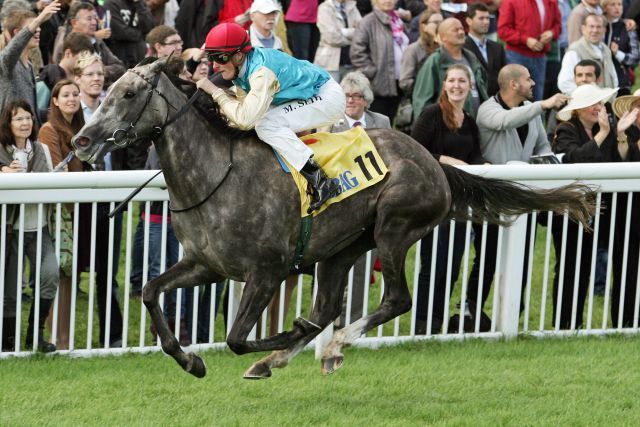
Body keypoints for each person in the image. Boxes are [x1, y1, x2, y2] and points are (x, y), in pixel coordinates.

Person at [195, 22, 344, 212]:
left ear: (239, 55)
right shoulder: (243, 64)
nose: (214, 66)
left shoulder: (261, 73)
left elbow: (245, 120)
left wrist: (216, 92)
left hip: (327, 97)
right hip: (309, 93)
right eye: (210, 58)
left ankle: (322, 182)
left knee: (266, 125)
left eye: (219, 58)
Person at [465, 64, 568, 328]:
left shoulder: (531, 112)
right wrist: (544, 105)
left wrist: (548, 164)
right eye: (528, 79)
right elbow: (505, 121)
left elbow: (541, 144)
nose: (533, 82)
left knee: (523, 258)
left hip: (524, 199)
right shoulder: (488, 109)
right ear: (513, 84)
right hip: (491, 199)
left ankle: (513, 313)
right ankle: (470, 310)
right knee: (487, 258)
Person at [411, 65, 485, 334]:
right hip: (435, 197)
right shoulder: (432, 114)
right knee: (433, 263)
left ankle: (438, 321)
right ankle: (422, 324)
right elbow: (414, 149)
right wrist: (446, 160)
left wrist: (486, 165)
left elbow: (475, 155)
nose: (457, 85)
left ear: (469, 86)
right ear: (444, 85)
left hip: (461, 200)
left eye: (462, 81)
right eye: (452, 81)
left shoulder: (469, 119)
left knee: (453, 264)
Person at [551, 84, 627, 329]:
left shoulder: (603, 129)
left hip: (599, 210)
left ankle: (580, 324)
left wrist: (617, 135)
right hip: (570, 210)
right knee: (571, 267)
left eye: (600, 103)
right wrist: (603, 134)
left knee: (589, 266)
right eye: (593, 104)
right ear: (579, 109)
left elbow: (618, 161)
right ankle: (565, 324)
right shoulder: (565, 129)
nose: (599, 108)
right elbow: (574, 160)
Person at [328, 71, 390, 328]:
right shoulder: (330, 123)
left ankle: (352, 324)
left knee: (363, 267)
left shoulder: (382, 122)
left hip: (372, 205)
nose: (351, 100)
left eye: (356, 96)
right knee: (333, 267)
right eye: (346, 96)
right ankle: (325, 320)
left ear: (366, 100)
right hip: (338, 206)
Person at [73, 52, 126, 347]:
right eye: (90, 74)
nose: (96, 78)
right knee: (71, 270)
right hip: (78, 201)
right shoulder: (71, 109)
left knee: (107, 273)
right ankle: (58, 334)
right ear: (78, 78)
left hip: (110, 197)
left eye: (99, 74)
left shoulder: (114, 108)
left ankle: (112, 336)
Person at [0, 100, 58, 353]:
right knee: (11, 289)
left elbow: (50, 180)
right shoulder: (1, 151)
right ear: (8, 124)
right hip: (12, 228)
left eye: (28, 118)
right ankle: (8, 343)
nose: (25, 123)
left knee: (50, 274)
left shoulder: (41, 149)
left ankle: (35, 337)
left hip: (40, 226)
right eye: (18, 119)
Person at [38, 79, 87, 349]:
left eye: (75, 94)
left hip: (79, 210)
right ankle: (58, 338)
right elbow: (59, 171)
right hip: (59, 212)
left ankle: (65, 337)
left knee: (70, 276)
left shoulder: (81, 129)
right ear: (54, 100)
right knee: (59, 273)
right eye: (65, 95)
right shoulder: (49, 130)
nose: (71, 98)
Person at [412, 17, 487, 119]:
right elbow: (422, 100)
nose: (461, 32)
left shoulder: (471, 57)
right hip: (448, 124)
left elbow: (483, 88)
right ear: (443, 37)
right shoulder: (435, 61)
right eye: (455, 30)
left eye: (461, 28)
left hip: (474, 124)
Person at [0, 2, 61, 126]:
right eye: (34, 27)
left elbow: (30, 110)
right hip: (9, 137)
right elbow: (12, 49)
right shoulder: (7, 62)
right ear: (18, 33)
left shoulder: (29, 65)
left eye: (39, 26)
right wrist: (39, 18)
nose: (38, 29)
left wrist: (56, 112)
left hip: (28, 136)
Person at [608, 90, 640, 327]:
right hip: (628, 211)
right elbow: (621, 160)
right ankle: (624, 321)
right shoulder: (623, 130)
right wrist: (620, 133)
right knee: (626, 267)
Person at [350, 0, 410, 120]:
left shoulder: (398, 21)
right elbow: (357, 53)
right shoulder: (367, 22)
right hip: (378, 86)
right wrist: (373, 73)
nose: (388, 1)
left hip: (398, 81)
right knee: (378, 126)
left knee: (391, 123)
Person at [497, 0, 561, 101]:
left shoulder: (550, 2)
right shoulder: (510, 1)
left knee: (537, 100)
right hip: (517, 56)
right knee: (516, 99)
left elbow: (558, 25)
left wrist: (552, 33)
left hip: (540, 57)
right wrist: (525, 40)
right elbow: (503, 30)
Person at [61, 2, 126, 87]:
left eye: (95, 18)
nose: (94, 22)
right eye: (89, 19)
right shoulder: (64, 42)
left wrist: (97, 71)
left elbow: (119, 67)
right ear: (74, 23)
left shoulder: (97, 41)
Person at [558, 14, 618, 94]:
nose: (595, 30)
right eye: (591, 26)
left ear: (604, 30)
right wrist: (585, 99)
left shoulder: (606, 49)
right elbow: (564, 83)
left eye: (598, 27)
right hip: (586, 104)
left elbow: (614, 78)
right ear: (583, 29)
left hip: (606, 103)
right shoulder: (575, 50)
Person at [38, 32, 93, 118]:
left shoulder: (83, 81)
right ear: (68, 53)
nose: (85, 63)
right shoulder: (46, 81)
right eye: (82, 57)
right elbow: (37, 116)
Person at [548, 59, 601, 142]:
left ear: (598, 79)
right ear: (574, 79)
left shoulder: (605, 105)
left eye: (589, 75)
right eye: (579, 75)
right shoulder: (561, 105)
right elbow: (550, 136)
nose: (584, 79)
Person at [464, 2, 506, 97]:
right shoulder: (463, 47)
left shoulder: (497, 47)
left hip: (497, 101)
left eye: (487, 18)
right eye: (481, 18)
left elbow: (504, 76)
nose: (486, 22)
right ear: (469, 21)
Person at [314, 0, 362, 82]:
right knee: (331, 93)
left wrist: (343, 32)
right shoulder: (324, 8)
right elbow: (331, 37)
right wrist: (352, 34)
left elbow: (362, 32)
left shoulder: (353, 6)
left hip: (352, 62)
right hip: (330, 63)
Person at [603, 0, 639, 96]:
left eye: (619, 4)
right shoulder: (599, 26)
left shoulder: (628, 27)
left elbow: (635, 58)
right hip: (602, 81)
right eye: (613, 4)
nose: (617, 7)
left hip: (622, 81)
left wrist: (618, 53)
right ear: (605, 7)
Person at [399, 9, 440, 94]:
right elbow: (404, 82)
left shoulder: (444, 47)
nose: (440, 25)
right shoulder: (413, 49)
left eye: (442, 22)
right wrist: (426, 88)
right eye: (436, 22)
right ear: (424, 26)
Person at [104, 0, 154, 68]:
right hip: (120, 56)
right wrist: (142, 34)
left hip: (139, 55)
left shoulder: (141, 3)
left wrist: (139, 5)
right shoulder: (111, 3)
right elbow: (120, 32)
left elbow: (149, 27)